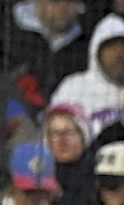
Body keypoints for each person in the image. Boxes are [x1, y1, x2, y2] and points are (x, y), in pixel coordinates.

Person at [10, 0, 88, 102]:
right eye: (56, 0)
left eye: (70, 1)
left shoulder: (85, 43)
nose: (63, 7)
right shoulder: (11, 35)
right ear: (38, 3)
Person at [50, 13, 124, 141]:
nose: (119, 54)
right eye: (111, 48)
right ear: (96, 51)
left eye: (123, 46)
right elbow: (52, 138)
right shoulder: (73, 87)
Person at [44, 103, 95, 205]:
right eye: (55, 134)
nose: (62, 141)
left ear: (83, 136)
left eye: (69, 132)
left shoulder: (95, 176)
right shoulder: (43, 174)